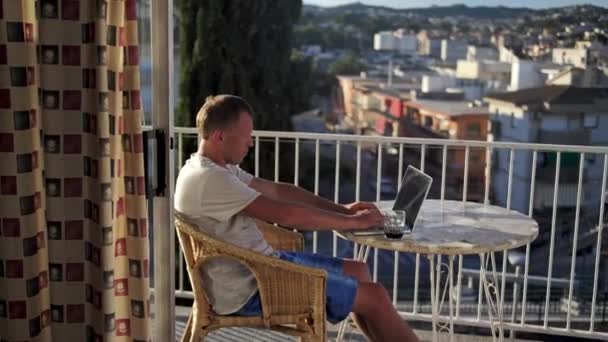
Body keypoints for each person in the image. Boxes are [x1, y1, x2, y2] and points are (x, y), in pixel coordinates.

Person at [174, 95, 419, 342]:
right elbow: (285, 214)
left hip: (264, 267)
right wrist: (355, 223)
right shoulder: (210, 179)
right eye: (246, 135)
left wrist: (343, 210)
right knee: (376, 296)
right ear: (219, 136)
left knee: (359, 270)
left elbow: (280, 191)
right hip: (252, 288)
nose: (251, 143)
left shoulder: (214, 169)